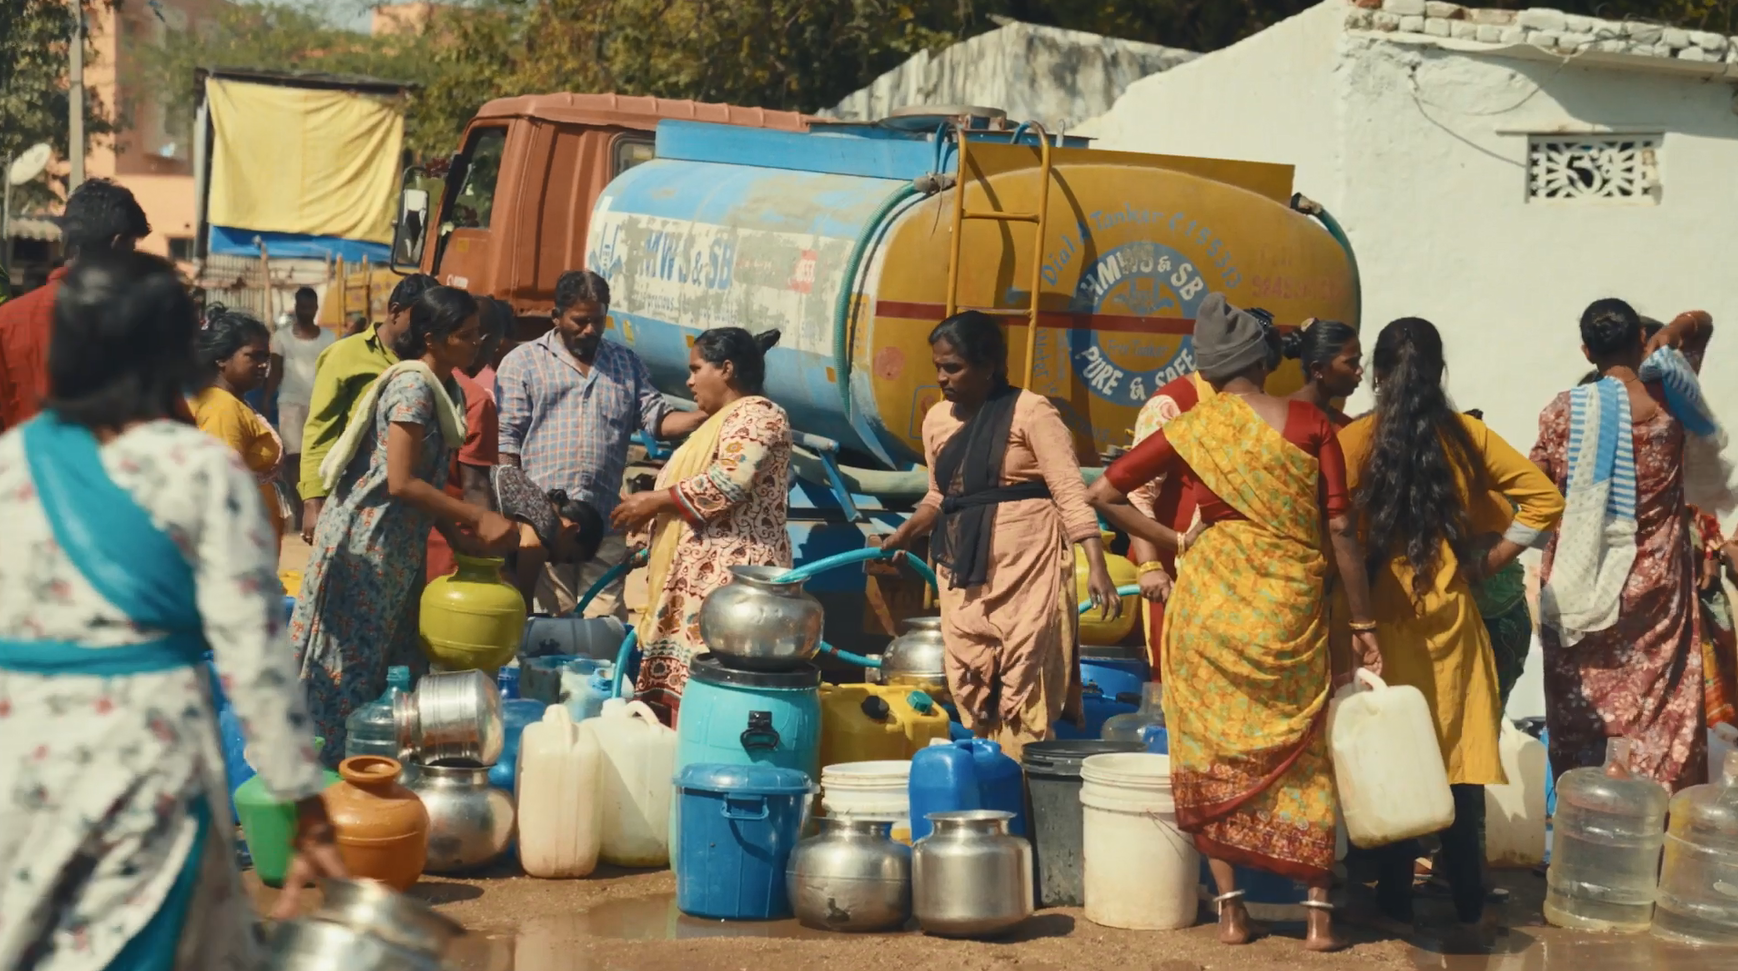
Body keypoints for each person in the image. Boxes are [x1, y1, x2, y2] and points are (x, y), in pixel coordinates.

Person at [0, 252, 345, 970]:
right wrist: (300, 795)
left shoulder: (12, 464)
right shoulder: (197, 469)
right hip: (146, 755)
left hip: (25, 756)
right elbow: (254, 652)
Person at [1086, 293, 1380, 952]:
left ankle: (1231, 911)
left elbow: (1103, 494)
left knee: (1212, 753)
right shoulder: (1311, 424)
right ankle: (1318, 919)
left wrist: (1170, 539)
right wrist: (1362, 621)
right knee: (1304, 753)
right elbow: (1338, 525)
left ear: (1209, 371)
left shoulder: (1193, 428)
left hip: (1208, 613)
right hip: (1290, 612)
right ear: (1265, 362)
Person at [1337, 318, 1564, 928]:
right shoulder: (1468, 437)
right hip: (1452, 621)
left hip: (1380, 625)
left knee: (1393, 759)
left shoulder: (1355, 441)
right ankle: (1466, 899)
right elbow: (1544, 501)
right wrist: (1485, 560)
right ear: (1440, 373)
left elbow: (1331, 529)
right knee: (1460, 765)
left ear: (1377, 376)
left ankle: (1393, 897)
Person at [879, 311, 1120, 759]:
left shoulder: (1031, 411)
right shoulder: (937, 421)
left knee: (1024, 677)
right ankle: (991, 788)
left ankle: (1027, 792)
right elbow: (938, 494)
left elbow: (1069, 489)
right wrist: (907, 531)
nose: (942, 378)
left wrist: (1098, 566)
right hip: (962, 569)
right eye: (938, 367)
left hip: (1027, 566)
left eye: (953, 368)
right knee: (973, 679)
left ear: (989, 364)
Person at [289, 286, 514, 762]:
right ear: (433, 339)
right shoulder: (413, 387)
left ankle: (376, 770)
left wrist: (460, 541)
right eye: (466, 336)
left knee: (392, 666)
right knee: (344, 666)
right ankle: (325, 777)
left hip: (397, 550)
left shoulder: (446, 387)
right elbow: (401, 482)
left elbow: (425, 482)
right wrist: (476, 515)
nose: (477, 345)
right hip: (364, 546)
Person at [1533, 302, 1720, 791]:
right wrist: (1675, 332)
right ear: (1641, 336)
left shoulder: (1562, 413)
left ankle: (1589, 820)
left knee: (1585, 712)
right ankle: (1654, 828)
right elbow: (1702, 325)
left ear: (1586, 351)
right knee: (1661, 710)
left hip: (1583, 586)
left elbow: (1534, 491)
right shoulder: (1671, 401)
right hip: (1658, 589)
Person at [496, 269, 708, 619]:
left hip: (606, 522)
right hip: (548, 527)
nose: (590, 330)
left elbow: (658, 420)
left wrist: (707, 413)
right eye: (580, 321)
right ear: (556, 316)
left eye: (598, 320)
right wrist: (526, 519)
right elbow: (507, 446)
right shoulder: (523, 363)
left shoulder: (625, 364)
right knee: (550, 620)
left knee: (603, 622)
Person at [610, 328, 794, 725]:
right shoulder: (718, 422)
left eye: (696, 370)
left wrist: (652, 501)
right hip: (697, 583)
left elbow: (727, 483)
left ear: (726, 369)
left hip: (735, 588)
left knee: (717, 702)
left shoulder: (760, 415)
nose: (689, 381)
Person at [0, 179, 150, 430]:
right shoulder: (134, 320)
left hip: (21, 465)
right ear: (117, 243)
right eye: (133, 247)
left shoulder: (6, 320)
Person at [297, 273, 436, 543]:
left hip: (408, 507)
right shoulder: (346, 355)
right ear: (395, 312)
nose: (424, 331)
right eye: (419, 321)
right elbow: (320, 428)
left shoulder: (426, 362)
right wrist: (313, 502)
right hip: (352, 500)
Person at [189, 309, 290, 550]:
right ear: (222, 359)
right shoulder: (222, 409)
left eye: (266, 357)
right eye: (253, 356)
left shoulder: (232, 401)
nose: (263, 365)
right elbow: (222, 488)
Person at [425, 297, 505, 581]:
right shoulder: (475, 400)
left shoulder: (409, 382)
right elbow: (475, 487)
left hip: (410, 539)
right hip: (454, 547)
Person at [492, 464, 606, 605]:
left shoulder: (536, 500)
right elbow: (522, 601)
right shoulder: (545, 527)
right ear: (571, 530)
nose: (555, 563)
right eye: (568, 557)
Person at [267, 287, 335, 495]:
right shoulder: (281, 338)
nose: (306, 311)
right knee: (294, 456)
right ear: (296, 307)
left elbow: (333, 372)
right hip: (290, 404)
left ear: (316, 308)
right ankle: (299, 499)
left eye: (310, 307)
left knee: (317, 454)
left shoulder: (330, 338)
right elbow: (275, 372)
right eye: (302, 307)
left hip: (320, 403)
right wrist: (266, 398)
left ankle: (314, 496)